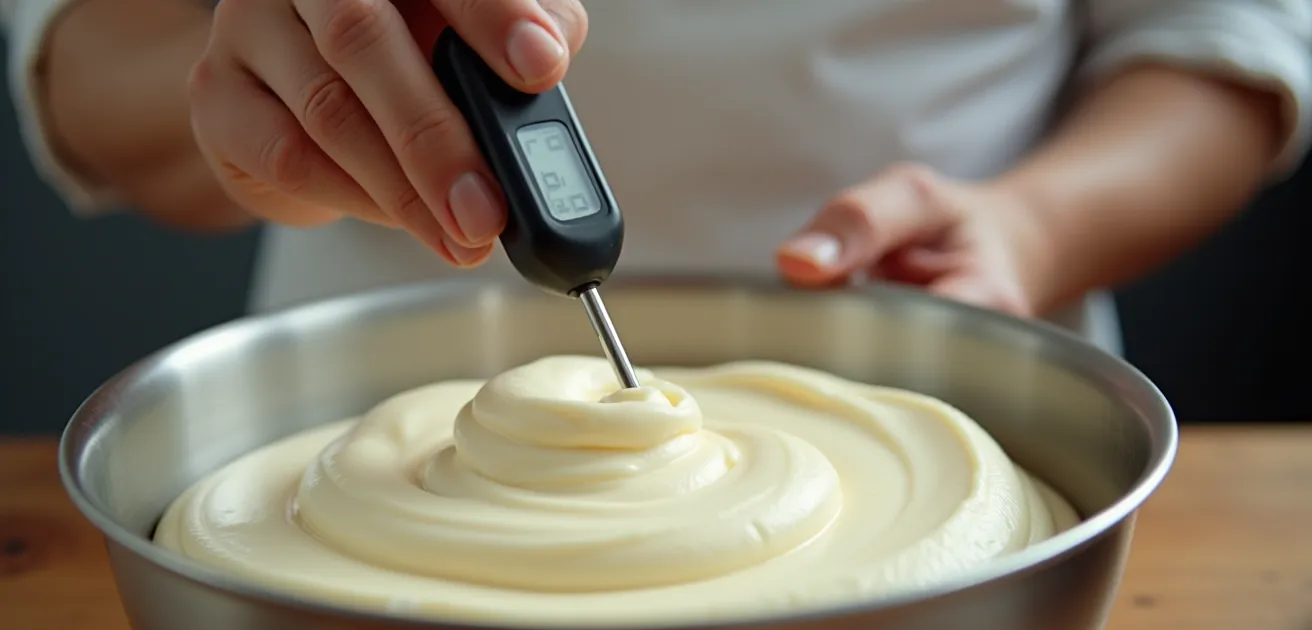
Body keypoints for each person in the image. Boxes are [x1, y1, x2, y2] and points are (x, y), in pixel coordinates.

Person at [3, 0, 1308, 357]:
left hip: (950, 394)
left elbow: (1230, 45)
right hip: (351, 457)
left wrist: (1033, 228)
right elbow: (77, 71)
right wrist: (264, 110)